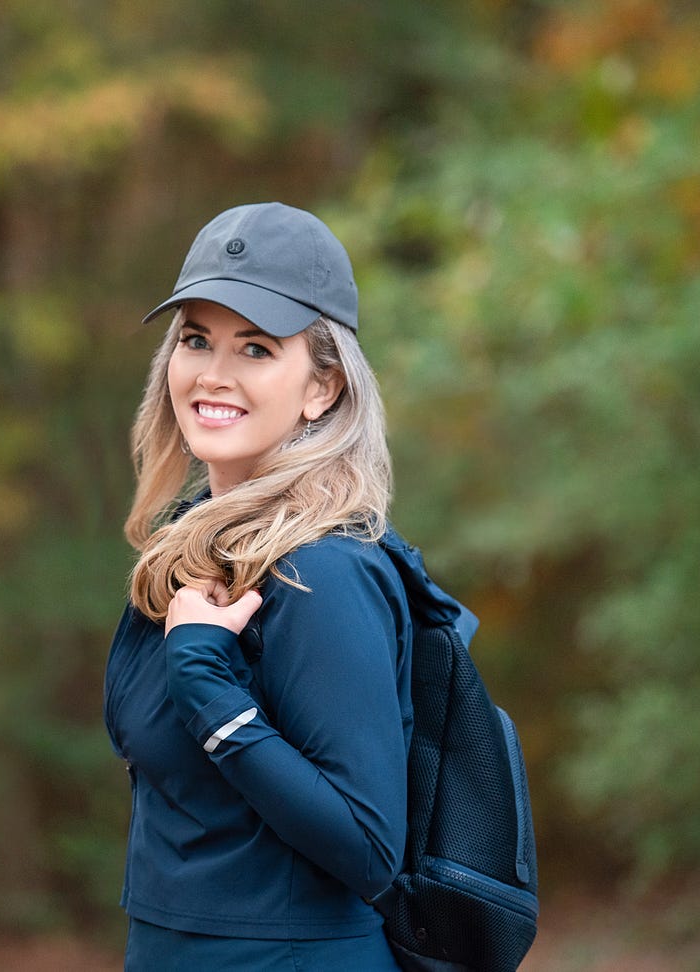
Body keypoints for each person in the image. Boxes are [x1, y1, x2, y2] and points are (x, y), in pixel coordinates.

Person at [103, 202, 410, 970]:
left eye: (256, 348)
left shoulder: (325, 570)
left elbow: (371, 848)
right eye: (196, 339)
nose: (213, 373)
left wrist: (207, 686)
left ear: (323, 387)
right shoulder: (188, 545)